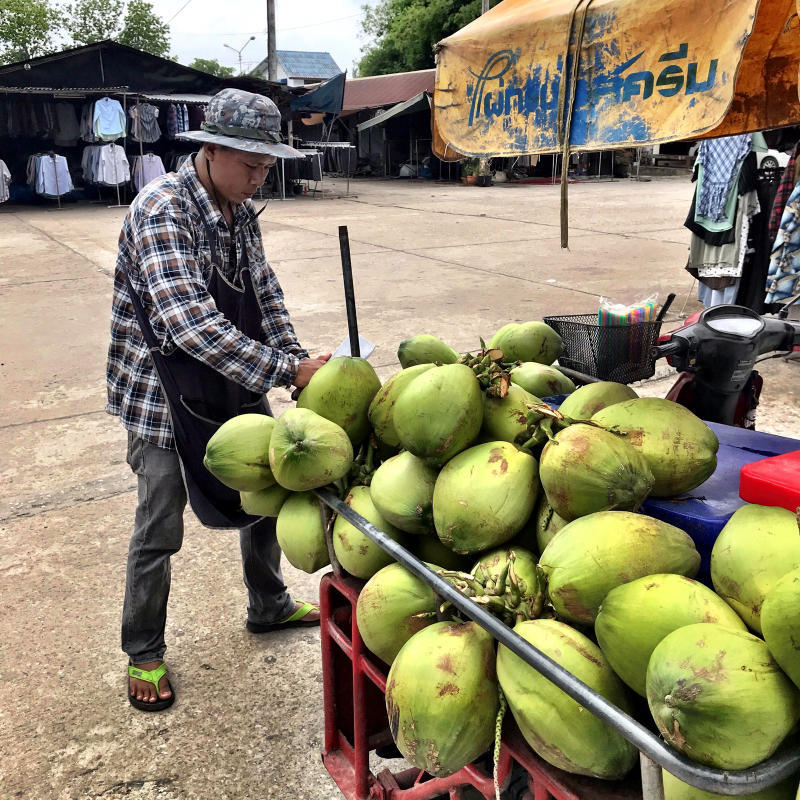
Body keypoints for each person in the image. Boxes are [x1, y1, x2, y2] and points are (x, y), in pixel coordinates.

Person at [106, 88, 330, 712]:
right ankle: (144, 650)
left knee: (263, 489)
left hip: (230, 381)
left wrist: (300, 364)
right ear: (210, 149)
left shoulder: (239, 212)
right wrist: (285, 367)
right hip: (163, 396)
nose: (261, 178)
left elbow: (264, 296)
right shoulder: (162, 211)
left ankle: (269, 604)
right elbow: (190, 327)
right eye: (251, 165)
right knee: (160, 525)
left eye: (267, 167)